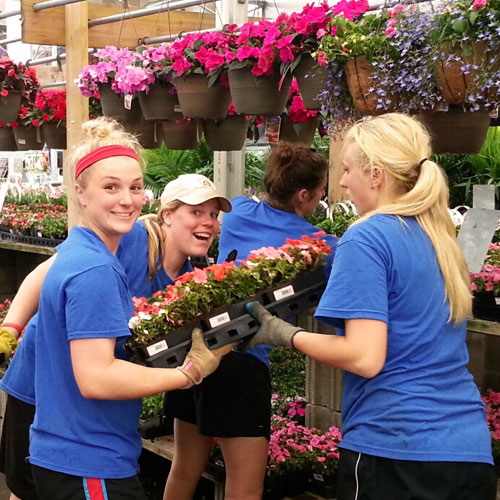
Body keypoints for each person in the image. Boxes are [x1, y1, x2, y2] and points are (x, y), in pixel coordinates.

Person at [245, 113, 497, 500]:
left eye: (347, 169)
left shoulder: (367, 237)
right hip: (467, 451)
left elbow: (364, 357)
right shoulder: (441, 237)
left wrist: (285, 335)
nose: (342, 182)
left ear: (376, 175)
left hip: (396, 448)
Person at [0, 119, 232, 500]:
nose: (127, 199)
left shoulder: (109, 254)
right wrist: (189, 373)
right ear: (168, 213)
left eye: (136, 188)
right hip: (68, 424)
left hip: (71, 427)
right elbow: (96, 377)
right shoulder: (117, 251)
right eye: (111, 187)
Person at [163, 142, 339, 500]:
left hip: (195, 348)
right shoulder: (322, 245)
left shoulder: (239, 211)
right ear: (304, 195)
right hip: (241, 362)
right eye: (321, 191)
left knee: (184, 468)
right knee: (245, 488)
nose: (323, 197)